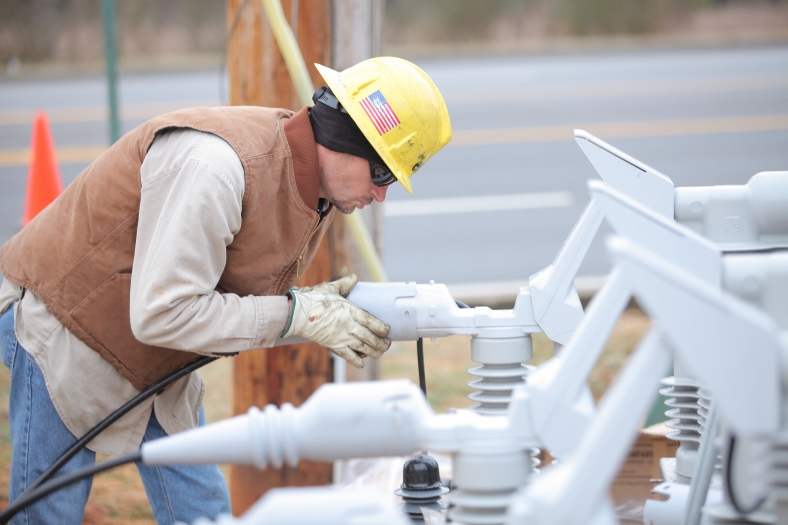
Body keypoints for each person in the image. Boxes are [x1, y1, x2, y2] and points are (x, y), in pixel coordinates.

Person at [0, 57, 452, 524]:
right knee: (47, 513)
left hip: (155, 355)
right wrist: (293, 316)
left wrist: (311, 315)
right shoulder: (216, 168)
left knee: (203, 513)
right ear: (344, 139)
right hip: (66, 328)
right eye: (382, 174)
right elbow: (163, 312)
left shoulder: (317, 192)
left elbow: (210, 306)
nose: (381, 195)